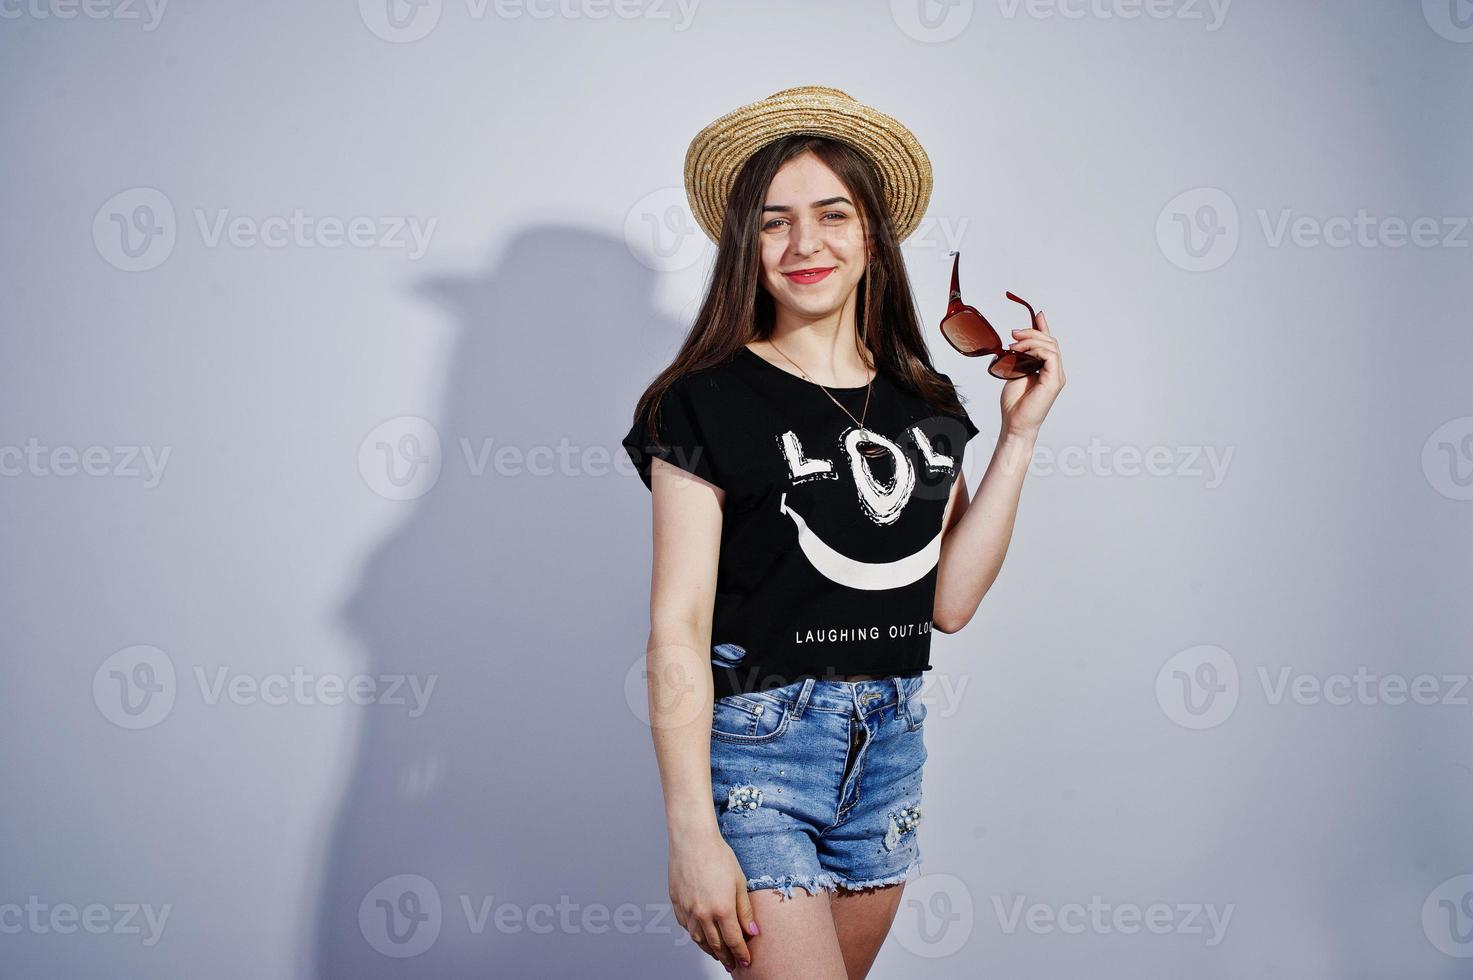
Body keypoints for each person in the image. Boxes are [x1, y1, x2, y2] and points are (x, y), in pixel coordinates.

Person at [620, 85, 1065, 978]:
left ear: (872, 236)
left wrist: (1018, 433)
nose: (804, 245)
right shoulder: (702, 398)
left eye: (832, 215)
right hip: (760, 742)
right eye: (774, 222)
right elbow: (676, 624)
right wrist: (691, 834)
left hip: (890, 746)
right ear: (745, 242)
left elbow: (949, 602)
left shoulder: (924, 400)